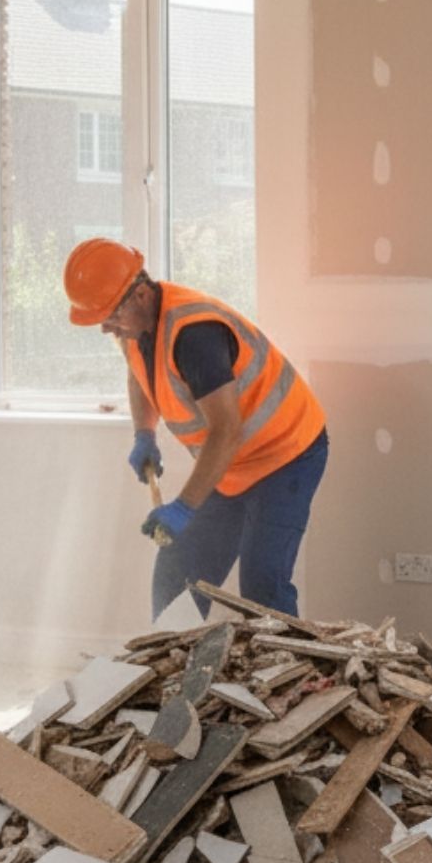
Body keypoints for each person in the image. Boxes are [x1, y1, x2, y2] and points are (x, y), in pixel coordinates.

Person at [63, 238, 328, 620]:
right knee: (178, 574)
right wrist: (144, 434)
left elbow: (226, 431)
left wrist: (185, 507)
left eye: (111, 316)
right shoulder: (133, 328)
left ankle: (288, 660)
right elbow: (138, 375)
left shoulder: (194, 336)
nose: (106, 327)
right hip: (232, 463)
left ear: (140, 294)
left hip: (285, 454)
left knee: (262, 587)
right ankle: (172, 655)